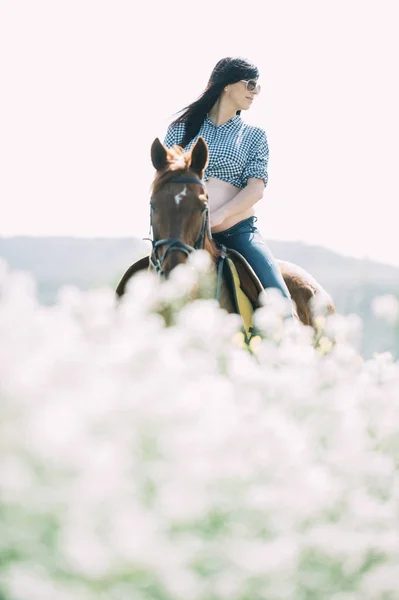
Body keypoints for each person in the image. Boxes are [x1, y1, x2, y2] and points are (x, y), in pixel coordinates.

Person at [163, 56, 295, 320]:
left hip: (238, 233)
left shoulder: (254, 136)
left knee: (279, 302)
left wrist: (220, 214)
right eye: (250, 84)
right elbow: (165, 183)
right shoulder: (180, 130)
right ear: (226, 85)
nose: (255, 92)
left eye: (257, 87)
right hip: (183, 235)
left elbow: (255, 189)